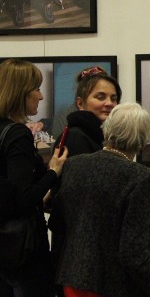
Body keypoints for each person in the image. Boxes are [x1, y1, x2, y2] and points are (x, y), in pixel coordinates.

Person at [49, 103, 150, 297]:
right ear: (142, 143)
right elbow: (133, 252)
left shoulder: (74, 164)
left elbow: (57, 223)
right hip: (113, 285)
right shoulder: (141, 177)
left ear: (106, 131)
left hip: (71, 279)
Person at [0, 59, 67, 296]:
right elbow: (24, 198)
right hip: (21, 253)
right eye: (36, 88)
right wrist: (53, 171)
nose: (40, 96)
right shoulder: (17, 134)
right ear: (21, 92)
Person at [52, 66, 121, 157]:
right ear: (80, 103)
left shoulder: (104, 137)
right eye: (101, 97)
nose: (109, 103)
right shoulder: (75, 138)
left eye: (114, 99)